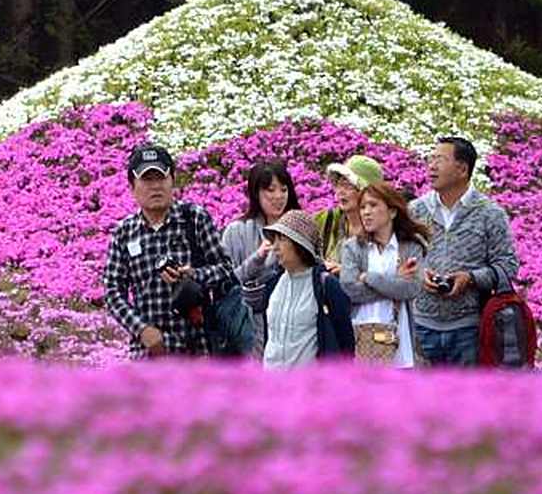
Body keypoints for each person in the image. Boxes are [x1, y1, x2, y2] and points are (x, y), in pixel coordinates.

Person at [102, 143, 238, 357]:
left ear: (172, 180)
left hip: (197, 351)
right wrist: (142, 329)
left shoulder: (194, 218)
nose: (155, 186)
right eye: (147, 180)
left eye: (161, 178)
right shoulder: (124, 232)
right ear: (132, 187)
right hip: (149, 354)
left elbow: (226, 269)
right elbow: (112, 292)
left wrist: (195, 274)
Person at [408, 136, 521, 367]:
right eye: (431, 159)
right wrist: (419, 273)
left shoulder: (490, 213)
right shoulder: (414, 210)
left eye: (440, 159)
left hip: (468, 330)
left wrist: (470, 278)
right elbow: (397, 258)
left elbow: (508, 266)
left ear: (462, 169)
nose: (431, 165)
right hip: (420, 327)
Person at [340, 181, 431, 367]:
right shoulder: (352, 247)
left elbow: (412, 288)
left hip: (399, 341)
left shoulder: (410, 247)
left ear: (392, 211)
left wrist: (370, 278)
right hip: (362, 340)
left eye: (373, 205)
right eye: (363, 207)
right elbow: (350, 289)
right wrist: (394, 282)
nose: (366, 212)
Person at [221, 160, 299, 356]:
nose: (278, 197)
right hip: (250, 328)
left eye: (284, 189)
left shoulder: (299, 228)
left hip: (294, 327)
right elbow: (227, 282)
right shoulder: (236, 231)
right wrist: (258, 258)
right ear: (256, 193)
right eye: (270, 190)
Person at [260, 209, 355, 369]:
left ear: (300, 245)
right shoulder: (273, 285)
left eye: (282, 240)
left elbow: (345, 341)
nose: (275, 247)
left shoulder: (326, 285)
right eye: (274, 240)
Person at [315, 155, 383, 268]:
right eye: (339, 184)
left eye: (348, 186)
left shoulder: (383, 229)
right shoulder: (328, 219)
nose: (341, 191)